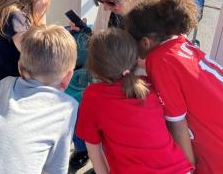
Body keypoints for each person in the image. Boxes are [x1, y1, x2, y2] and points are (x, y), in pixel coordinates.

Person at [69, 0, 165, 169]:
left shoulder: (156, 1)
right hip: (113, 78)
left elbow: (166, 57)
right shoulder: (109, 3)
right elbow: (101, 36)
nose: (105, 8)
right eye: (100, 2)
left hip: (144, 86)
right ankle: (97, 156)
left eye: (111, 3)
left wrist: (125, 62)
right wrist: (86, 34)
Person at [0, 25, 78, 174]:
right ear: (68, 77)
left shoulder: (3, 85)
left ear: (19, 68)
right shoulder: (67, 107)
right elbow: (55, 170)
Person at [123, 0, 223, 174]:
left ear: (145, 42)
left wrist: (189, 169)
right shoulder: (179, 42)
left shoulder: (160, 61)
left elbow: (178, 124)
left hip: (219, 142)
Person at [75, 28, 193, 174]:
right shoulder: (149, 84)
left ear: (94, 66)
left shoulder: (93, 96)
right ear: (135, 58)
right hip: (179, 168)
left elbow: (94, 151)